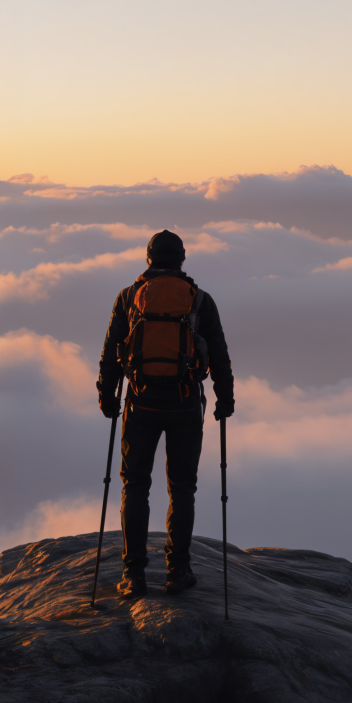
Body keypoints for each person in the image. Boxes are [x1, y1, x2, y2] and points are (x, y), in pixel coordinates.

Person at [97, 230, 233, 598]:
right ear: (182, 260)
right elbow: (218, 355)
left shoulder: (128, 298)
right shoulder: (200, 301)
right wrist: (226, 400)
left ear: (149, 259)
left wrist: (107, 396)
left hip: (141, 404)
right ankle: (177, 572)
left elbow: (112, 353)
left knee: (135, 486)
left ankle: (134, 576)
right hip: (185, 404)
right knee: (182, 489)